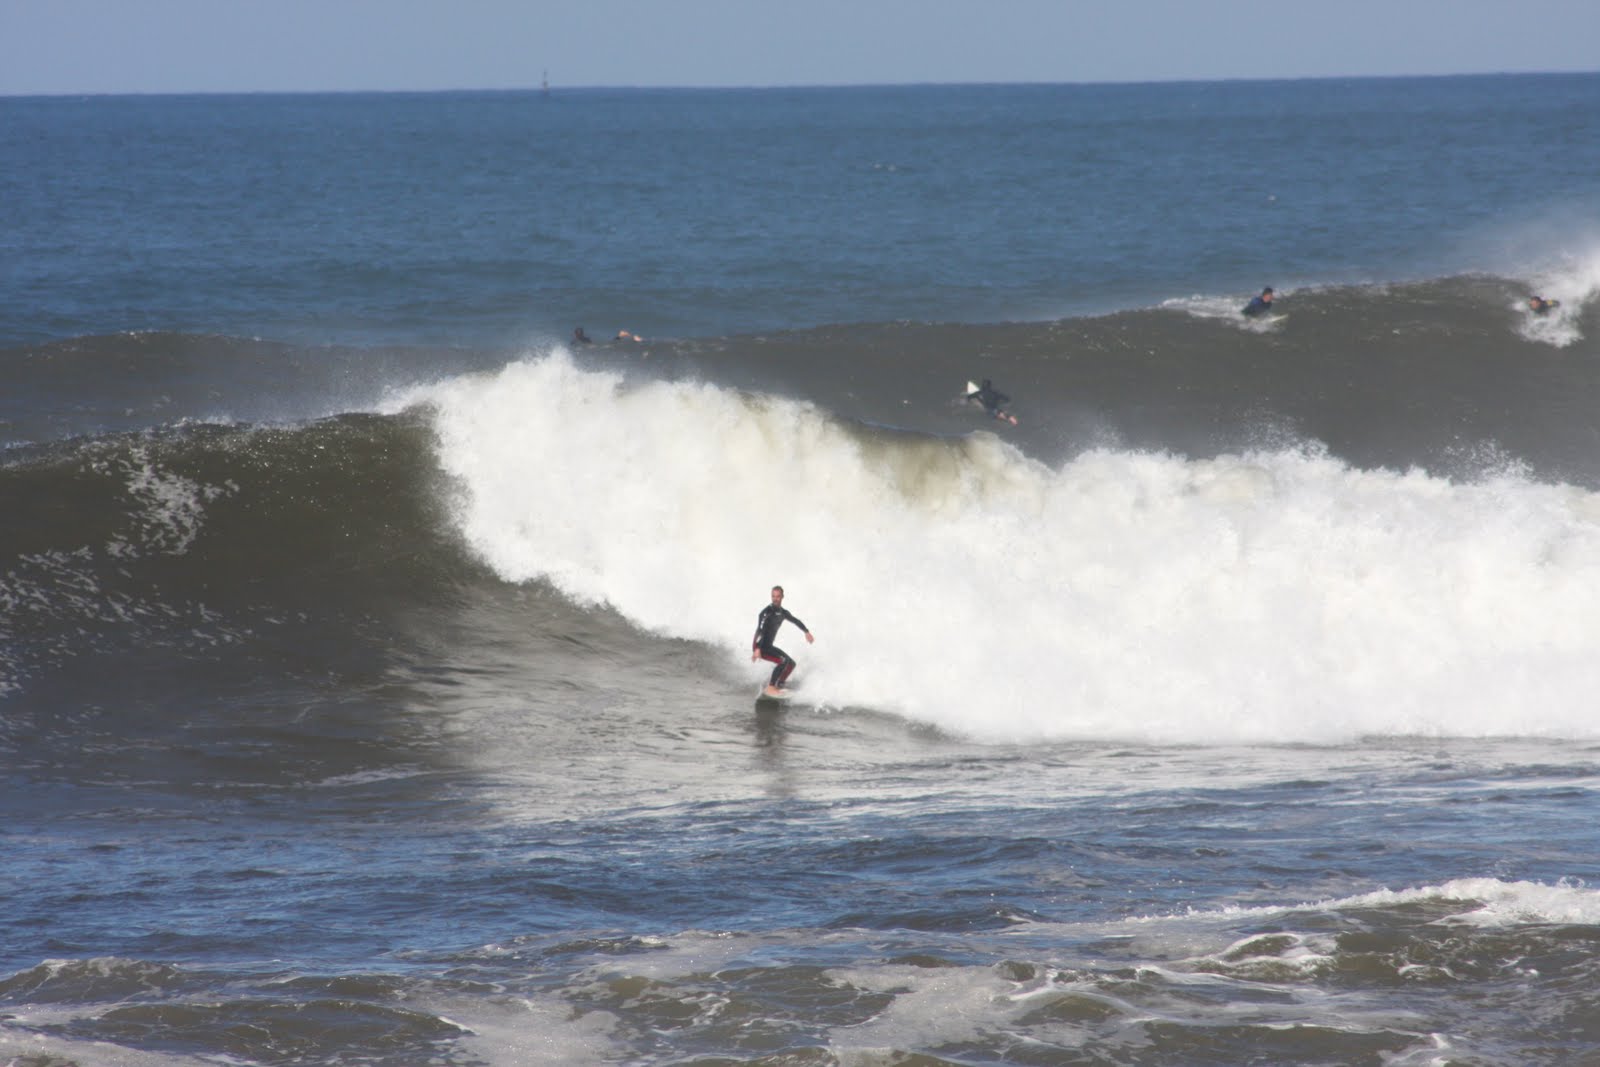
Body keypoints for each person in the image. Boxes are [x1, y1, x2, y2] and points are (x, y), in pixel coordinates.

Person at [751, 585, 814, 696]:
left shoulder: (783, 613)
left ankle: (779, 684)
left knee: (791, 664)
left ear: (782, 597)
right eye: (773, 596)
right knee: (783, 661)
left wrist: (806, 632)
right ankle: (771, 687)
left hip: (768, 646)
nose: (775, 599)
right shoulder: (766, 612)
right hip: (760, 645)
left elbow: (795, 621)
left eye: (778, 596)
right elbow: (760, 630)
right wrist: (757, 649)